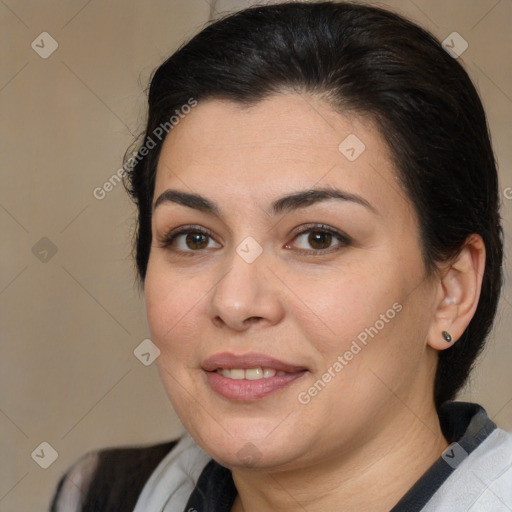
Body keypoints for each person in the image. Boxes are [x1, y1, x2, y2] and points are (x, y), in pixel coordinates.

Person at [50, 1, 511, 511]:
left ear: (452, 289)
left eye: (318, 238)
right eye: (194, 238)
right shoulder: (100, 496)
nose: (235, 300)